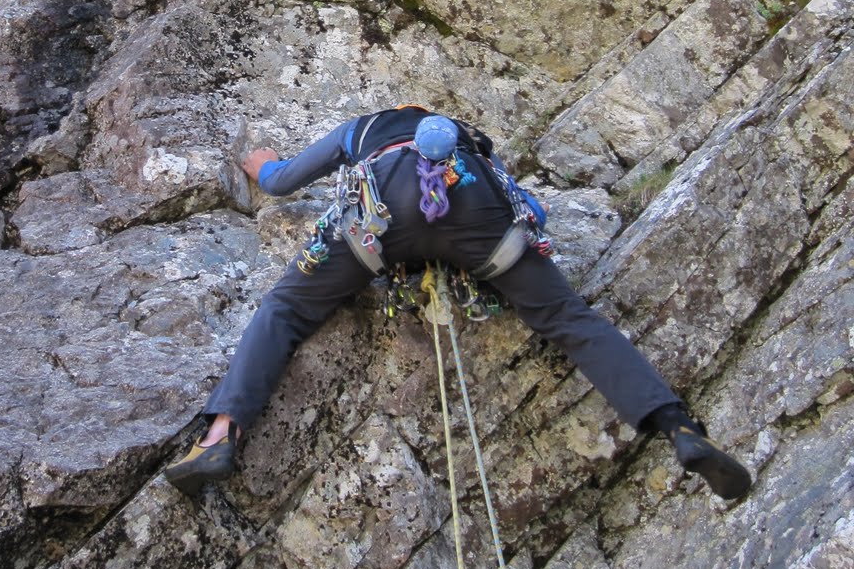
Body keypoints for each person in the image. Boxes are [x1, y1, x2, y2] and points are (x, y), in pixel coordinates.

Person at [166, 105, 752, 501]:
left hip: (378, 217)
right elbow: (527, 208)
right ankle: (675, 425)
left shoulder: (363, 129)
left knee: (285, 310)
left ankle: (219, 437)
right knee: (567, 318)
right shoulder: (470, 147)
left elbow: (283, 181)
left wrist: (259, 163)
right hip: (476, 216)